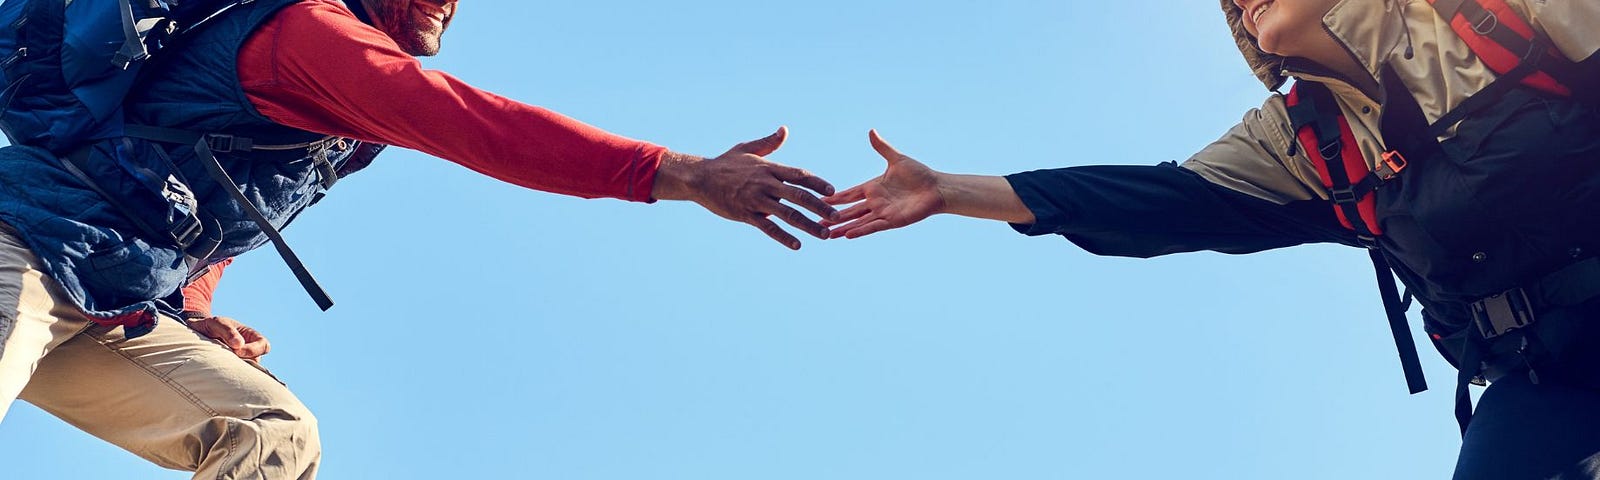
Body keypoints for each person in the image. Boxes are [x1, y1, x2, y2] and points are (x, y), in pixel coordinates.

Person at [0, 0, 837, 478]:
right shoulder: (305, 37)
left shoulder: (346, 130)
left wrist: (191, 309)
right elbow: (468, 122)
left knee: (270, 434)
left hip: (106, 295)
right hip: (20, 248)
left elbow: (210, 217)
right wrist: (684, 174)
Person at [824, 0, 1600, 478]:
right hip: (1544, 385)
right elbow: (1154, 201)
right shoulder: (1302, 138)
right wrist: (948, 191)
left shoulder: (1492, 14)